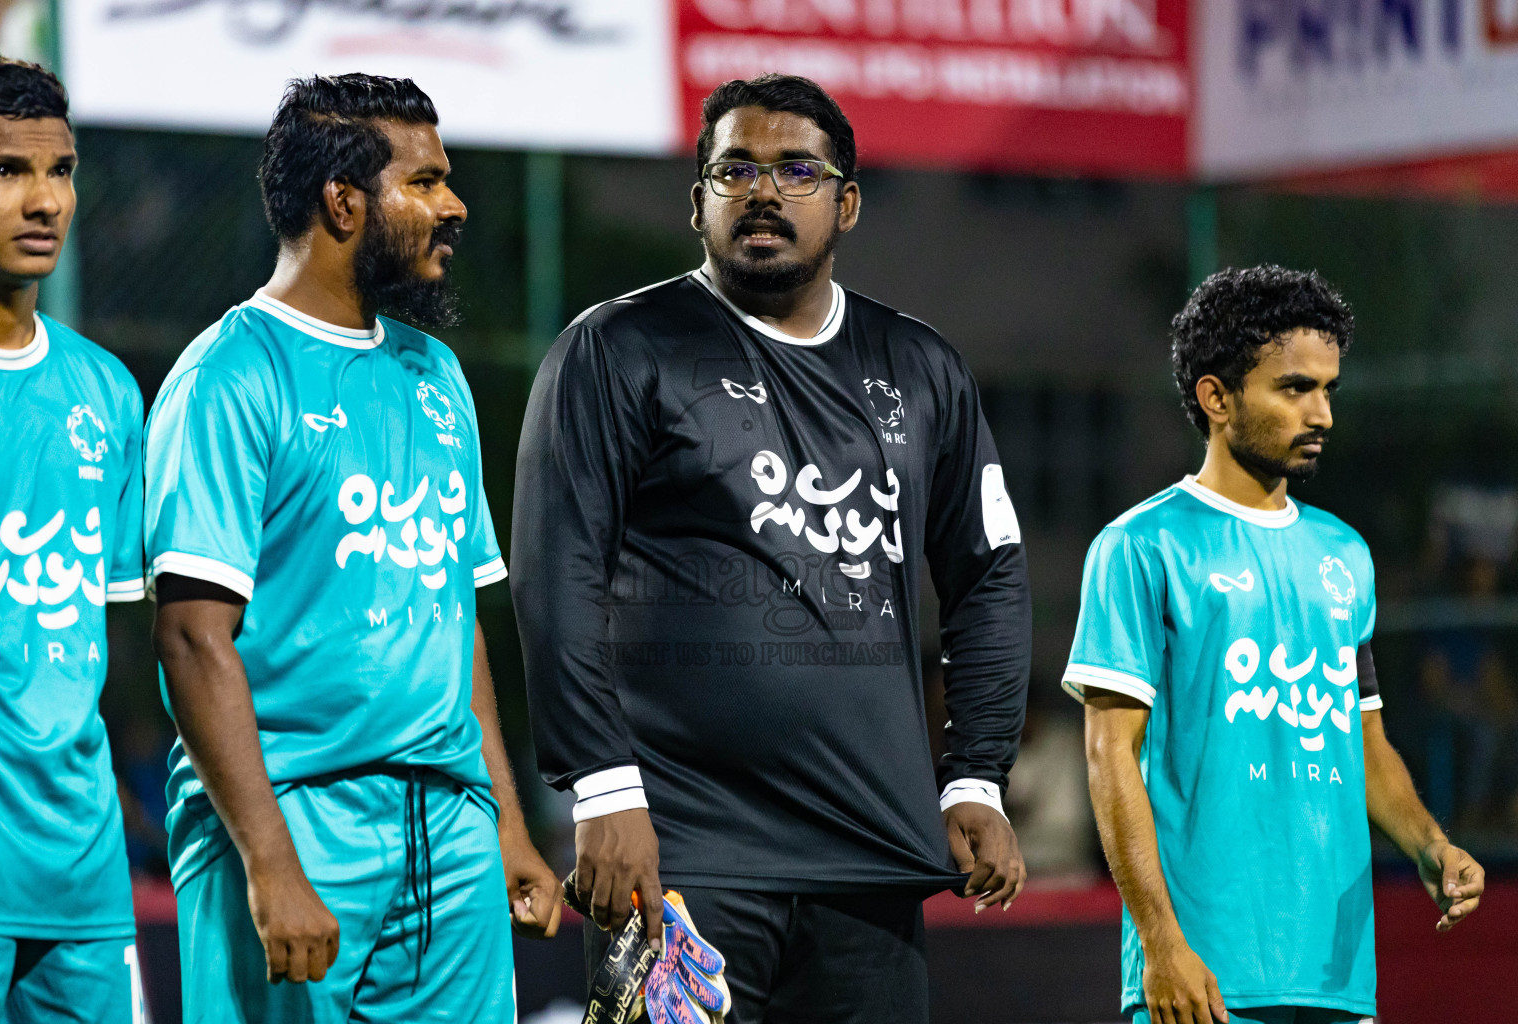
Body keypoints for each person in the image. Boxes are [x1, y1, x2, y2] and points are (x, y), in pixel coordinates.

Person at [512, 73, 1031, 1023]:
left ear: (847, 203)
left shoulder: (921, 367)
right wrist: (600, 787)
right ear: (698, 199)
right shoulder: (619, 348)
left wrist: (976, 776)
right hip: (680, 855)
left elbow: (989, 574)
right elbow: (557, 576)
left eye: (797, 169)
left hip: (870, 859)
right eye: (734, 169)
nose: (762, 191)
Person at [143, 74, 560, 1023]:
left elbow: (455, 624)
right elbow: (192, 642)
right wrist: (271, 862)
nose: (454, 205)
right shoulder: (227, 375)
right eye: (425, 183)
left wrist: (503, 822)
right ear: (343, 203)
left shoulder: (438, 376)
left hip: (448, 834)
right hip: (294, 818)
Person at [1064, 266, 1486, 1024]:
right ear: (1216, 398)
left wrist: (1432, 847)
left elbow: (1363, 740)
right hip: (1203, 978)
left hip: (1335, 971)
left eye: (1328, 389)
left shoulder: (1346, 555)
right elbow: (1109, 756)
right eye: (1295, 389)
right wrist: (1161, 945)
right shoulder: (1140, 547)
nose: (1321, 412)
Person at [0, 54, 148, 1024]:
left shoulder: (107, 393)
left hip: (82, 877)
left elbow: (113, 649)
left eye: (61, 169)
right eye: (6, 170)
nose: (44, 199)